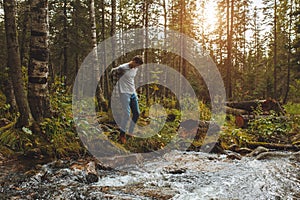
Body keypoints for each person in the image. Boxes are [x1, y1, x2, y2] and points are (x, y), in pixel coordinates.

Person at [110, 55, 143, 144]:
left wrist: (135, 92)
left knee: (136, 113)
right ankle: (122, 134)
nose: (136, 67)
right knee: (127, 114)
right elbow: (112, 72)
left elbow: (131, 80)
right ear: (133, 61)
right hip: (124, 92)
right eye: (136, 65)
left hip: (133, 92)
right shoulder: (122, 68)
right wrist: (115, 84)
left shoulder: (135, 69)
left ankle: (130, 132)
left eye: (138, 66)